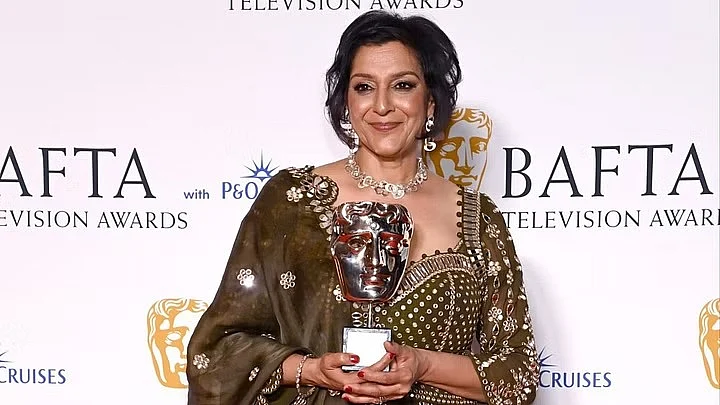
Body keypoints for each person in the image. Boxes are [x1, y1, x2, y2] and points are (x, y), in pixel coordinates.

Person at [187, 10, 539, 405]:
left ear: (430, 102)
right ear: (346, 103)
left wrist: (422, 365)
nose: (382, 106)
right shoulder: (291, 202)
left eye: (402, 85)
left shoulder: (476, 216)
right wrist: (311, 370)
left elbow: (519, 374)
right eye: (364, 87)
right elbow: (215, 354)